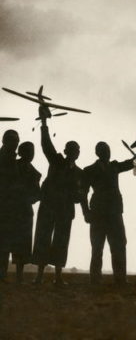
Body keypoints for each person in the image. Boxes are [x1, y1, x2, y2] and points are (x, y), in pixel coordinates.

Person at [32, 107, 84, 285]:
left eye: (76, 150)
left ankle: (58, 276)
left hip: (65, 210)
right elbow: (46, 144)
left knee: (61, 242)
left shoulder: (79, 173)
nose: (74, 152)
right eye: (71, 149)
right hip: (49, 206)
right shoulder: (56, 160)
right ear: (66, 150)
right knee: (42, 238)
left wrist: (78, 197)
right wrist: (44, 122)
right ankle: (39, 275)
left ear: (78, 153)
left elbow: (80, 195)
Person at [81, 141, 136, 285]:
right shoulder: (89, 170)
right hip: (97, 213)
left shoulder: (115, 166)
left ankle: (120, 278)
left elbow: (132, 162)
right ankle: (95, 279)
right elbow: (83, 193)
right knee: (97, 247)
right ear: (97, 153)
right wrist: (86, 212)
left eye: (108, 150)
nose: (107, 153)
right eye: (103, 150)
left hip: (114, 212)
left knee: (119, 245)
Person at [11, 142, 41, 283]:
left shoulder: (34, 173)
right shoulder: (11, 167)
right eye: (29, 151)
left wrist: (28, 199)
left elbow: (37, 194)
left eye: (32, 151)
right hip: (11, 210)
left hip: (22, 211)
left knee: (22, 245)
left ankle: (18, 276)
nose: (31, 154)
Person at [0, 129, 20, 283]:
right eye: (12, 141)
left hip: (9, 208)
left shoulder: (14, 160)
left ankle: (2, 274)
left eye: (16, 141)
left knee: (5, 243)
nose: (15, 144)